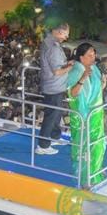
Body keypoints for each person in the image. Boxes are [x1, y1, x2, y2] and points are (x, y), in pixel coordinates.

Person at [67, 43, 107, 186]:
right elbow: (72, 94)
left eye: (94, 54)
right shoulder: (75, 71)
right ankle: (85, 176)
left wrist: (103, 84)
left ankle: (95, 169)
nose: (93, 57)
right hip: (83, 116)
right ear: (81, 57)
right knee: (85, 146)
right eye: (90, 55)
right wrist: (83, 78)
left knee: (98, 145)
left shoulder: (95, 69)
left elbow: (96, 91)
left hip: (96, 114)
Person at [36, 23, 72, 155]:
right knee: (51, 116)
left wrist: (66, 65)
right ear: (58, 32)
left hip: (53, 85)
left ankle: (54, 137)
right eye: (65, 34)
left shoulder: (48, 42)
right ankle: (43, 146)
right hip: (54, 86)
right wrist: (70, 67)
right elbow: (57, 71)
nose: (66, 38)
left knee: (56, 115)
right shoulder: (53, 47)